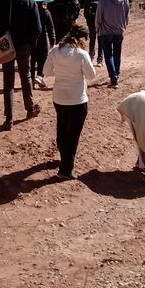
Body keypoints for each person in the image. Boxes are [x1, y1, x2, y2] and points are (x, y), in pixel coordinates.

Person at [0, 0, 42, 128]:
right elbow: (37, 28)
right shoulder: (30, 3)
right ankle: (30, 108)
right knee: (26, 77)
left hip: (6, 46)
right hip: (24, 46)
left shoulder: (2, 2)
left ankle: (9, 118)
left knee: (8, 81)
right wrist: (31, 43)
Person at [43, 26, 97, 180]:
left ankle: (64, 159)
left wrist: (61, 72)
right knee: (73, 135)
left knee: (62, 128)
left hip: (59, 98)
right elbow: (91, 76)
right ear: (81, 39)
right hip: (77, 99)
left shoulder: (54, 51)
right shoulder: (81, 54)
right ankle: (66, 169)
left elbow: (47, 72)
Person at [96, 0, 130, 88]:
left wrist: (98, 28)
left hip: (106, 32)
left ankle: (113, 78)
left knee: (108, 55)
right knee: (117, 54)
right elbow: (127, 14)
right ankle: (117, 75)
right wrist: (124, 26)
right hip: (119, 31)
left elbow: (99, 16)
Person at [31, 0, 56, 88]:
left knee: (31, 61)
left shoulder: (29, 12)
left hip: (31, 40)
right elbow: (51, 28)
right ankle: (39, 77)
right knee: (43, 60)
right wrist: (52, 41)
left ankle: (31, 80)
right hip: (42, 40)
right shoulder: (46, 12)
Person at [84, 0, 103, 66]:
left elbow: (85, 13)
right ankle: (100, 60)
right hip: (101, 23)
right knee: (100, 41)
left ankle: (91, 58)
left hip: (92, 23)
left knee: (92, 41)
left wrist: (88, 22)